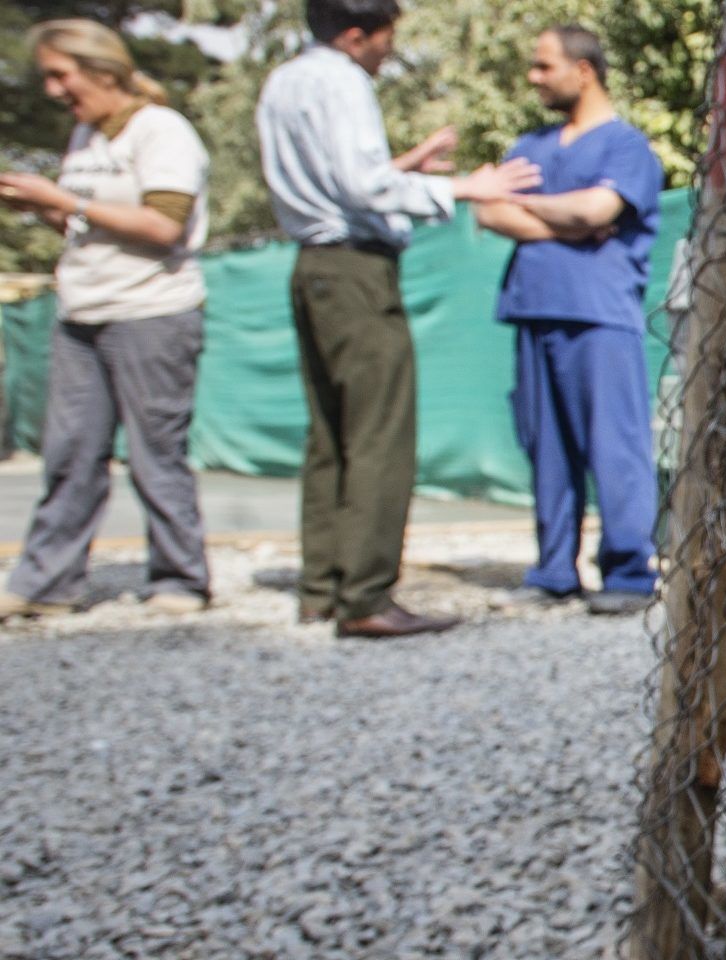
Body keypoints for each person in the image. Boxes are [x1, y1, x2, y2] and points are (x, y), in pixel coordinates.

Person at [256, 0, 537, 638]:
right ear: (357, 35)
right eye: (387, 38)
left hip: (313, 265)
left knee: (330, 430)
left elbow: (332, 179)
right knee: (380, 429)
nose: (390, 52)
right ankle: (367, 595)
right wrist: (467, 187)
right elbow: (362, 189)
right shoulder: (345, 80)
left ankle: (321, 586)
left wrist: (407, 165)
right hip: (358, 270)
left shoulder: (285, 80)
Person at [0, 21, 212, 620]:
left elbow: (164, 226)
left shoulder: (160, 131)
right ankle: (46, 582)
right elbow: (88, 226)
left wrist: (66, 200)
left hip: (152, 312)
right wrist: (46, 209)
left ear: (101, 68)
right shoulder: (86, 136)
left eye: (60, 75)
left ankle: (180, 578)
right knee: (69, 453)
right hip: (83, 311)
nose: (53, 90)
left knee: (155, 453)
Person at [476, 25, 665, 615]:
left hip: (599, 313)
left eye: (543, 66)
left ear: (583, 71)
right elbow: (488, 210)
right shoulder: (531, 144)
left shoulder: (625, 147)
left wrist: (528, 205)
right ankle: (553, 570)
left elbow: (599, 208)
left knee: (616, 445)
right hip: (534, 308)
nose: (533, 78)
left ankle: (629, 573)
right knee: (546, 446)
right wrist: (567, 219)